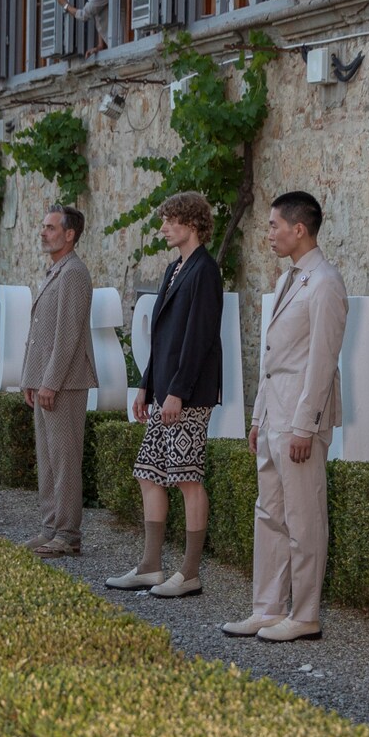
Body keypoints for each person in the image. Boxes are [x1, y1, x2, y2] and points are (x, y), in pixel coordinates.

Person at [229, 192, 348, 642]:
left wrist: (306, 424)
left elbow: (322, 360)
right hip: (273, 415)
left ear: (300, 229)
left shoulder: (325, 282)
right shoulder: (287, 281)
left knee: (304, 519)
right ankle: (267, 607)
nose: (270, 232)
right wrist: (258, 417)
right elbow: (273, 355)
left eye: (275, 225)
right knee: (269, 514)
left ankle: (305, 614)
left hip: (300, 420)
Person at [106, 191, 224, 596]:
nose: (163, 227)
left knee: (187, 478)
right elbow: (162, 336)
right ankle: (151, 566)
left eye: (170, 220)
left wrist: (176, 392)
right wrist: (147, 385)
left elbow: (199, 338)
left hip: (188, 394)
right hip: (166, 391)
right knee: (148, 473)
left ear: (192, 224)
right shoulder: (175, 268)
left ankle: (189, 573)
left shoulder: (206, 271)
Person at [21, 204, 98, 557]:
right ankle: (50, 526)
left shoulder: (74, 273)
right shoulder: (56, 271)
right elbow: (41, 334)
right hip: (46, 381)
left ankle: (68, 534)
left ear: (70, 235)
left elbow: (67, 336)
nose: (43, 232)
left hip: (65, 383)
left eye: (51, 227)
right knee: (48, 458)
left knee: (65, 459)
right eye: (43, 226)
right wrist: (31, 378)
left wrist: (49, 382)